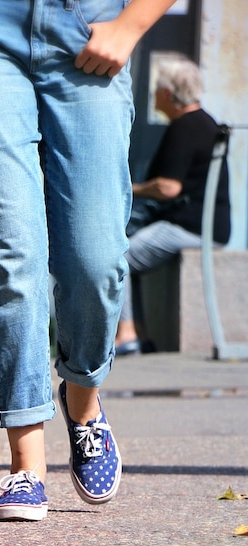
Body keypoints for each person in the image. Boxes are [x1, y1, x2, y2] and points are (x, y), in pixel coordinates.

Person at [0, 0, 175, 521]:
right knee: (10, 249)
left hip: (90, 27)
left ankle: (82, 401)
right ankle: (26, 466)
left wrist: (133, 24)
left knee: (95, 256)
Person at [115, 54, 231, 356]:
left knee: (121, 256)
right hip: (206, 225)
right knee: (131, 256)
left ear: (168, 93)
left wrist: (128, 188)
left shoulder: (186, 127)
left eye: (156, 90)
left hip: (190, 226)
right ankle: (138, 333)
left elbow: (168, 188)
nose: (153, 95)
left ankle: (127, 333)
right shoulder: (204, 123)